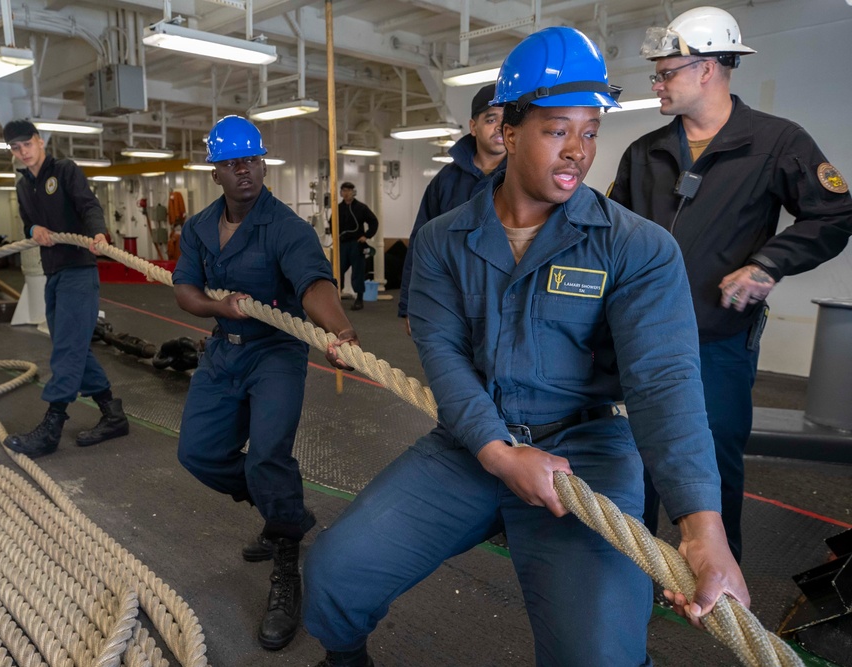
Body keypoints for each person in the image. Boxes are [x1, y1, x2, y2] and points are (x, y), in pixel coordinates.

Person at [303, 27, 749, 667]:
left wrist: (702, 529)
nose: (578, 151)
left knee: (600, 656)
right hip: (471, 440)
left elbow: (664, 384)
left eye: (590, 131)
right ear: (507, 131)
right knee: (334, 575)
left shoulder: (637, 247)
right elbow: (444, 357)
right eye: (556, 130)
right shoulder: (439, 242)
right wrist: (498, 451)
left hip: (587, 451)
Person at [608, 6, 852, 562]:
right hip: (639, 337)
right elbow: (613, 237)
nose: (658, 83)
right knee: (634, 456)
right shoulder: (644, 152)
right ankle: (633, 572)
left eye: (666, 72)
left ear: (709, 69)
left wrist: (768, 264)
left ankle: (720, 584)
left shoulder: (777, 143)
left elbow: (835, 214)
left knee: (714, 458)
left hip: (716, 342)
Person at [172, 115, 358, 651]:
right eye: (232, 164)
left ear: (261, 163)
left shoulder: (286, 228)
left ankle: (284, 560)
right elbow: (184, 288)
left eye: (252, 161)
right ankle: (286, 515)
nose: (245, 171)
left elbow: (313, 283)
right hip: (221, 353)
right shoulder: (202, 227)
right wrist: (217, 306)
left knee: (267, 457)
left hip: (275, 354)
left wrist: (339, 330)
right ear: (217, 173)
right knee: (197, 453)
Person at [2, 119, 129, 458]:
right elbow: (27, 220)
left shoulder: (65, 170)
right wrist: (33, 230)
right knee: (70, 345)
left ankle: (52, 426)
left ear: (39, 141)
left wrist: (98, 233)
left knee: (66, 351)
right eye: (15, 148)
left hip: (79, 270)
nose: (22, 152)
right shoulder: (22, 186)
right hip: (53, 272)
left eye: (26, 144)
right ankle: (113, 415)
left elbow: (88, 205)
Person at [397, 82, 507, 332]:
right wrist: (410, 304)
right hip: (450, 300)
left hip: (505, 302)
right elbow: (420, 242)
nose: (500, 126)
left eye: (507, 118)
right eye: (491, 119)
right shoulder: (445, 181)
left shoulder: (524, 178)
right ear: (473, 127)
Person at [331, 182, 378, 310]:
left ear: (353, 192)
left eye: (348, 190)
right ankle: (335, 298)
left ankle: (359, 299)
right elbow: (331, 225)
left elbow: (374, 221)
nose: (346, 193)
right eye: (344, 190)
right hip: (342, 244)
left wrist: (366, 236)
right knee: (337, 271)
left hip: (357, 244)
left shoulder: (361, 208)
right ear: (341, 192)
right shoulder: (338, 209)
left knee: (358, 271)